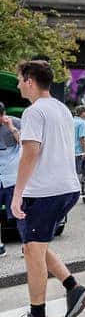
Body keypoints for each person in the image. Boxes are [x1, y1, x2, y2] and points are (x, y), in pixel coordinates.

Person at [2, 60, 85, 317]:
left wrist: (17, 193)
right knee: (34, 245)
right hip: (65, 186)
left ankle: (38, 316)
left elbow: (31, 152)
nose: (18, 85)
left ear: (30, 80)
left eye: (19, 80)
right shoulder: (61, 109)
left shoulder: (34, 112)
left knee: (32, 250)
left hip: (44, 190)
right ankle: (73, 288)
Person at [0, 102, 21, 259]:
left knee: (19, 212)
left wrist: (12, 128)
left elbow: (25, 143)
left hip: (12, 177)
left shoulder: (15, 122)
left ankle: (26, 245)